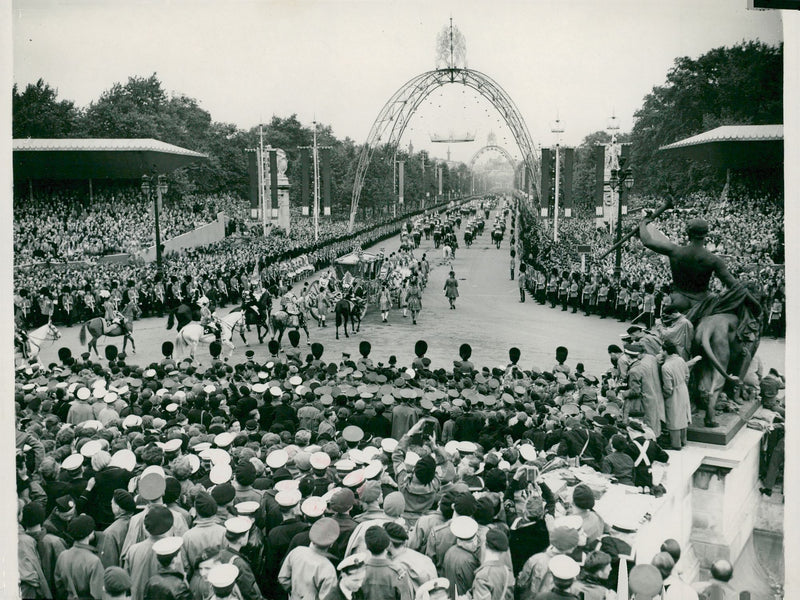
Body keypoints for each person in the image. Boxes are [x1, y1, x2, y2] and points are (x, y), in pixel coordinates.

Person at [638, 217, 737, 314]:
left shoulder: (675, 251)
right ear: (706, 234)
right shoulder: (714, 260)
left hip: (678, 299)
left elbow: (647, 241)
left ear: (688, 233)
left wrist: (643, 223)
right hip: (703, 302)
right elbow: (734, 285)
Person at [660, 340, 693, 450]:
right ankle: (683, 441)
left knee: (674, 418)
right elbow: (687, 375)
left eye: (661, 349)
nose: (660, 351)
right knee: (683, 416)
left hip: (674, 393)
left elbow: (668, 388)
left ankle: (676, 444)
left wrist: (663, 396)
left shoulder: (666, 366)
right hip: (683, 389)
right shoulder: (680, 359)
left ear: (665, 351)